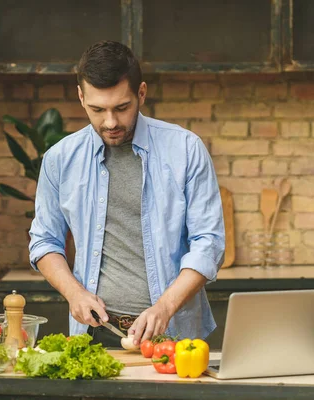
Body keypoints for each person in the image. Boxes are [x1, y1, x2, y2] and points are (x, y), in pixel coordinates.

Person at [28, 40, 225, 348]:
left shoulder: (185, 150)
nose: (110, 122)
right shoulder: (60, 159)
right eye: (97, 109)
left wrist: (165, 306)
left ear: (141, 93)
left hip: (173, 335)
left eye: (121, 108)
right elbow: (44, 240)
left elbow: (209, 242)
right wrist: (74, 293)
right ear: (81, 97)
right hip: (93, 337)